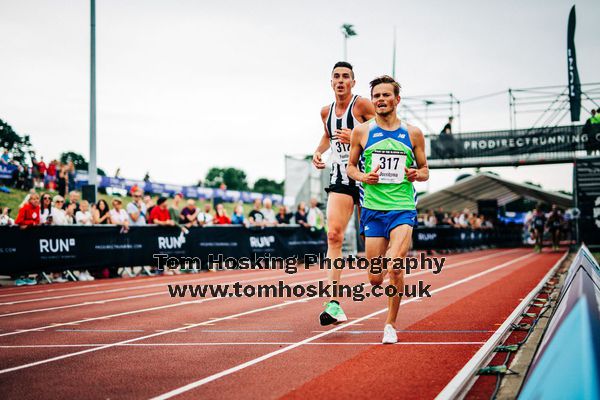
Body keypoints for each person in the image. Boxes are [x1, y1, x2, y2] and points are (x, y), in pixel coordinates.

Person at [347, 75, 429, 343]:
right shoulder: (362, 132)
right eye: (377, 96)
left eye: (386, 95)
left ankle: (390, 325)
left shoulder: (413, 133)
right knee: (374, 278)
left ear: (397, 99)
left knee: (396, 267)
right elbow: (351, 167)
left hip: (402, 208)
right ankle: (379, 271)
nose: (381, 100)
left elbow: (425, 170)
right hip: (372, 209)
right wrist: (363, 178)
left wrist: (416, 174)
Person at [312, 61, 376, 326]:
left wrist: (358, 137)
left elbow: (386, 130)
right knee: (333, 236)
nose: (340, 81)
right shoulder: (326, 111)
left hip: (370, 178)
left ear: (353, 82)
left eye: (345, 77)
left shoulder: (361, 106)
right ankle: (334, 303)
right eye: (336, 77)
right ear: (331, 82)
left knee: (374, 246)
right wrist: (318, 151)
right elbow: (328, 136)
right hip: (340, 178)